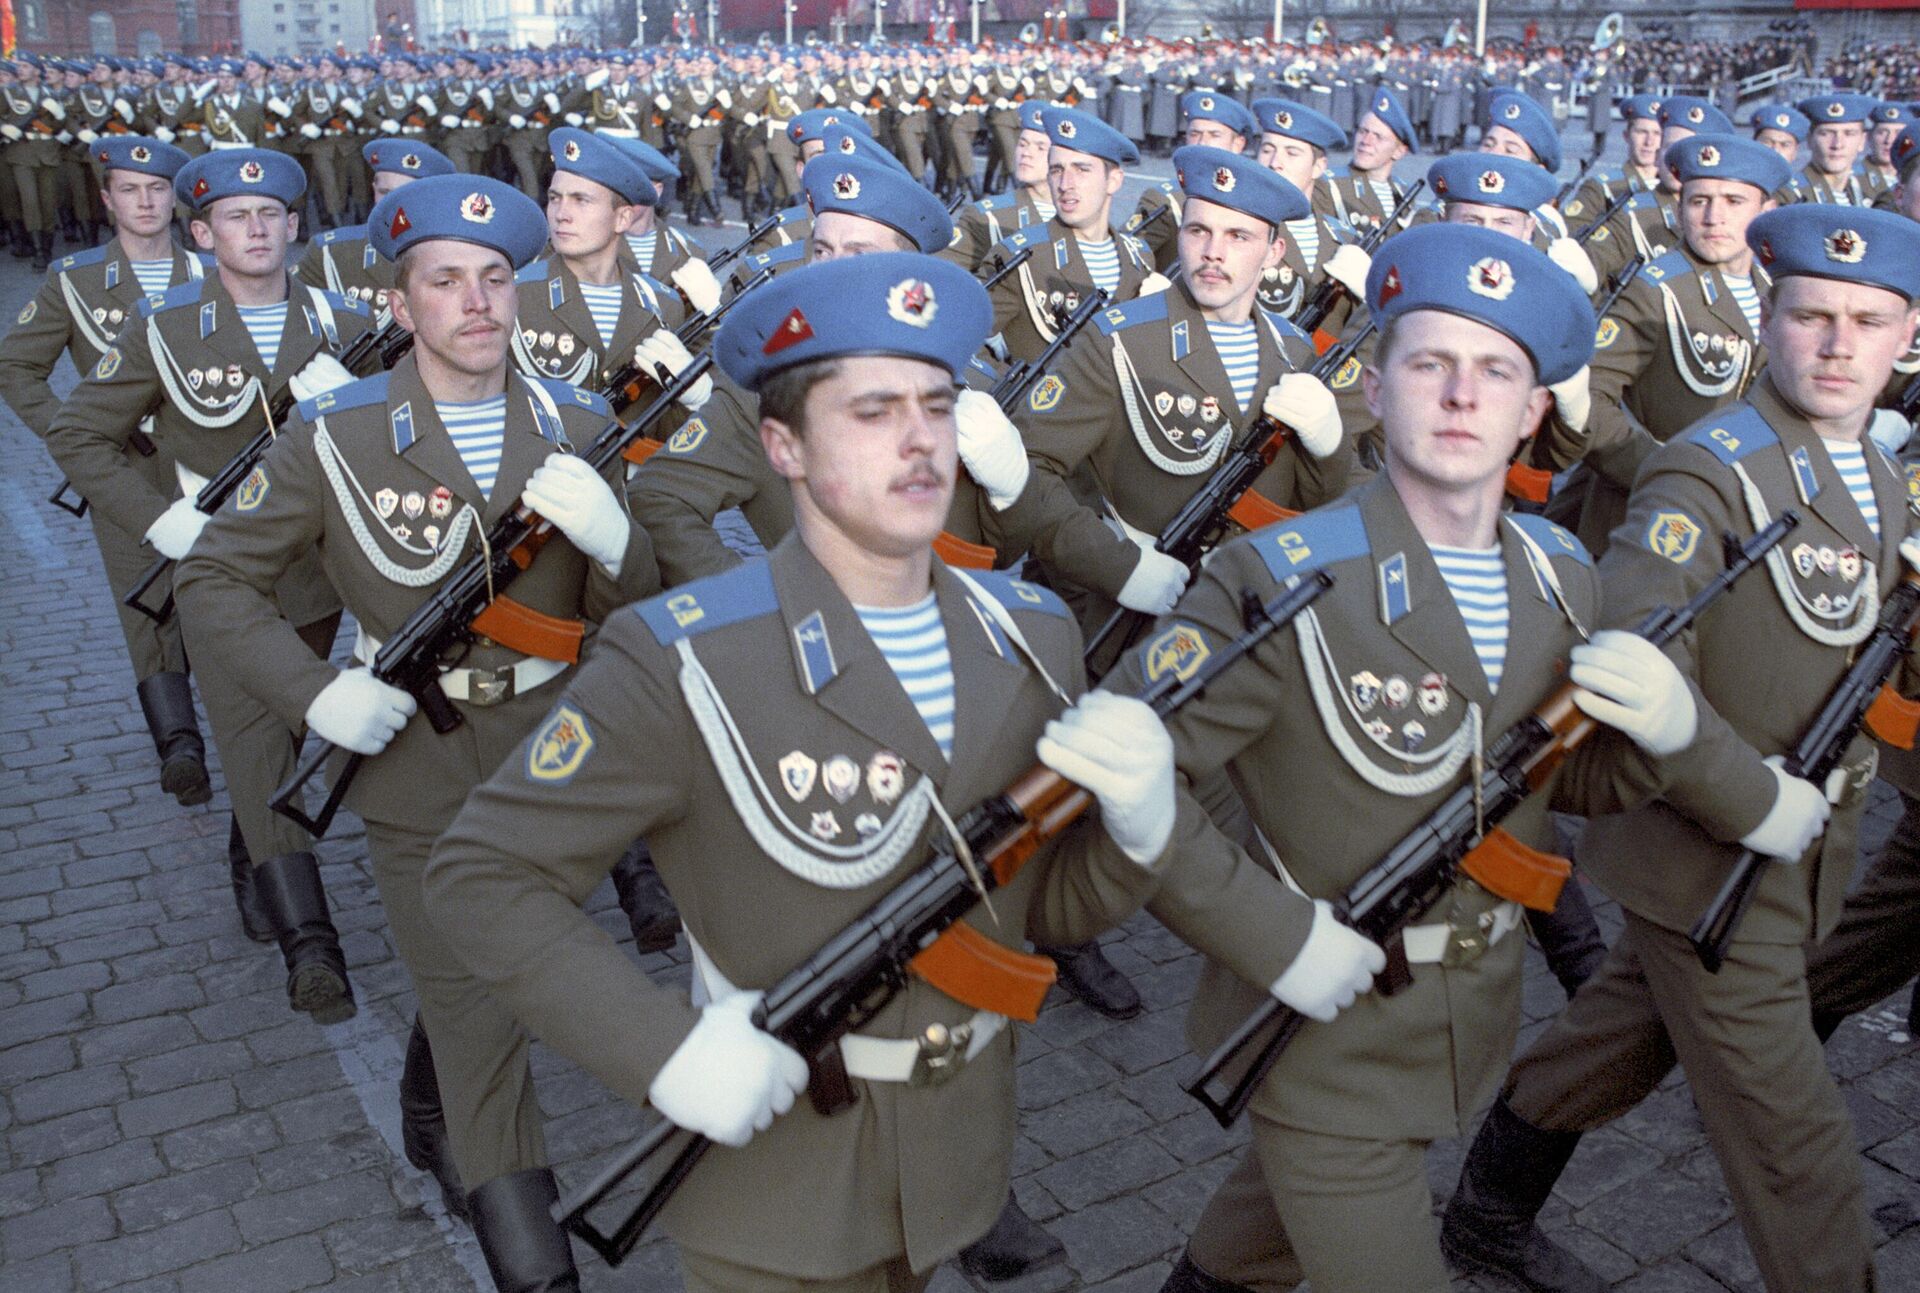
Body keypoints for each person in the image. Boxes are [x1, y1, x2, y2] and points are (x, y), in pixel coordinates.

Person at [423, 251, 1183, 1293]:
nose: (920, 441)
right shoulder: (683, 653)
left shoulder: (1032, 631)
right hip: (776, 1187)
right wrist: (665, 1053)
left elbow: (1031, 910)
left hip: (956, 1165)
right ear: (780, 444)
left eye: (937, 404)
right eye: (871, 412)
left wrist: (1139, 832)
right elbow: (481, 875)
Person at [1128, 223, 1681, 1293]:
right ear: (1374, 390)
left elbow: (1566, 784)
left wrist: (1661, 733)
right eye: (1430, 363)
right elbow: (1129, 778)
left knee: (1255, 1243)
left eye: (1497, 373)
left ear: (1531, 413)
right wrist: (1272, 936)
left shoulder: (1562, 571)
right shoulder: (1276, 575)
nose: (1462, 396)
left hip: (1460, 1025)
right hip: (1318, 1032)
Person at [174, 172, 661, 1287]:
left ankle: (423, 1099)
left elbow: (654, 622)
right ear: (402, 305)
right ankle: (537, 1268)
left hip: (559, 764)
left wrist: (622, 544)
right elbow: (212, 582)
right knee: (484, 1016)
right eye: (444, 281)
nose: (476, 301)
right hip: (417, 770)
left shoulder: (582, 425)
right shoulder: (338, 434)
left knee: (488, 988)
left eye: (496, 279)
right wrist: (311, 695)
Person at [1440, 202, 1920, 1293]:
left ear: (1908, 334)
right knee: (1799, 1151)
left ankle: (1483, 1220)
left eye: (1870, 319)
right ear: (1769, 317)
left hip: (1798, 867)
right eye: (1813, 316)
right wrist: (1751, 800)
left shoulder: (1878, 474)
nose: (1840, 344)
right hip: (1719, 867)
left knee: (1608, 1044)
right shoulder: (1708, 472)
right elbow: (1635, 671)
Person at [45, 147, 378, 1019]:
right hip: (220, 576)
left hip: (314, 577)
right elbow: (80, 435)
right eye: (236, 216)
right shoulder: (167, 325)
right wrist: (163, 521)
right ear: (203, 232)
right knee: (255, 733)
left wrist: (358, 405)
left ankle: (250, 842)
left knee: (274, 737)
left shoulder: (346, 326)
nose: (257, 228)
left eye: (271, 215)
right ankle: (314, 946)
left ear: (295, 226)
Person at [0, 136, 216, 816]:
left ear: (175, 200)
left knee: (220, 595)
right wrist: (77, 433)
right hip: (124, 468)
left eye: (157, 190)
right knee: (144, 600)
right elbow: (16, 367)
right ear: (108, 198)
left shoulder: (214, 273)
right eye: (130, 189)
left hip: (209, 470)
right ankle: (179, 743)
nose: (146, 201)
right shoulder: (76, 279)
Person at [1551, 136, 1792, 554]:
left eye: (1734, 201)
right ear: (1679, 210)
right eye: (1699, 201)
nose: (1714, 217)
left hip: (1745, 515)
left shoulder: (1774, 290)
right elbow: (1586, 396)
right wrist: (1662, 467)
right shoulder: (1657, 289)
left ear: (1766, 210)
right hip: (1650, 514)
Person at [981, 106, 1156, 364]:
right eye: (1056, 170)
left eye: (1082, 169)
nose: (1065, 185)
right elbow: (960, 341)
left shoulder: (1139, 256)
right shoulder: (1019, 257)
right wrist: (998, 396)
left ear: (1114, 180)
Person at [295, 138, 454, 319]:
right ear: (374, 189)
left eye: (407, 196)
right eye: (385, 193)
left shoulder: (459, 256)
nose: (393, 205)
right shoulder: (330, 254)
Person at [1246, 97, 1371, 328]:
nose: (1275, 162)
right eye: (1267, 149)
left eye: (1291, 153)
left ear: (1319, 167)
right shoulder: (1239, 230)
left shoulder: (1345, 239)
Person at [1125, 91, 1258, 272]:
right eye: (1195, 133)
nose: (1202, 142)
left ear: (1238, 144)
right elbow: (1128, 255)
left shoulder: (1254, 199)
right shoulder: (1165, 201)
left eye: (1214, 134)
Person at [943, 99, 1056, 273]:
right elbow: (939, 268)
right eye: (1023, 144)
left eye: (1041, 148)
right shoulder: (985, 217)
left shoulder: (1079, 218)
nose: (1027, 153)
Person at [1313, 85, 1415, 238]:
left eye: (1378, 137)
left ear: (1399, 151)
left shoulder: (1403, 192)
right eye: (1363, 131)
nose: (1366, 141)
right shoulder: (1329, 185)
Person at [1793, 92, 1876, 206]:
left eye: (1849, 134)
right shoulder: (1792, 196)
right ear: (1809, 140)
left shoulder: (1869, 191)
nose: (1837, 144)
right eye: (1826, 133)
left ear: (1862, 141)